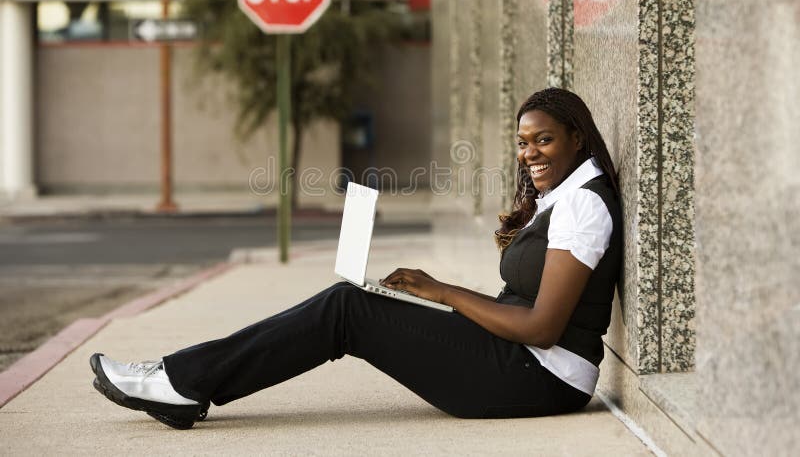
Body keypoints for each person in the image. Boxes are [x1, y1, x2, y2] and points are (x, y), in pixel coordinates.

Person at [90, 87, 622, 429]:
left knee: (346, 310)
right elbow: (525, 311)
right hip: (516, 360)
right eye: (523, 143)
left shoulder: (582, 205)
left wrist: (443, 293)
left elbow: (542, 327)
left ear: (577, 136)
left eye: (544, 140)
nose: (530, 154)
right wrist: (429, 298)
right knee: (356, 300)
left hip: (538, 376)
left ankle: (181, 382)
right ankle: (182, 376)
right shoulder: (564, 196)